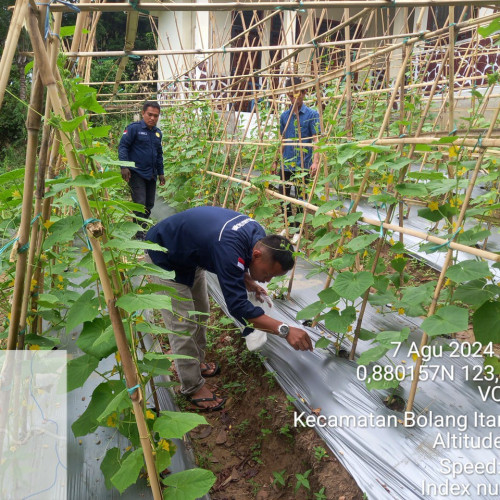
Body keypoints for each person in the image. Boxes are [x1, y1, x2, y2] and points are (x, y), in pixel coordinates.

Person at [145, 206, 313, 411]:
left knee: (201, 312)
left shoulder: (259, 237)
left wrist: (248, 280)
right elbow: (238, 306)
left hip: (190, 257)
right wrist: (284, 329)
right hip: (164, 255)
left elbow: (238, 261)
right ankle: (192, 386)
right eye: (267, 273)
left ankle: (196, 363)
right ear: (257, 255)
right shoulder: (228, 248)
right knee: (183, 325)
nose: (267, 280)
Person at [275, 78, 321, 239]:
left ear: (304, 92)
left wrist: (315, 161)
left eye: (296, 94)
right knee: (283, 196)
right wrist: (276, 159)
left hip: (304, 164)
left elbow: (316, 139)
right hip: (286, 162)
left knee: (301, 198)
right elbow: (282, 140)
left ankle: (299, 231)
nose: (293, 98)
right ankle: (289, 227)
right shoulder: (284, 116)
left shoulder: (312, 115)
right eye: (290, 95)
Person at [119, 101, 166, 239]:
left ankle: (141, 229)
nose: (152, 118)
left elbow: (159, 154)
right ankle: (139, 234)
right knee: (139, 203)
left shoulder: (157, 133)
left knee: (149, 204)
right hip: (136, 173)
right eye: (149, 114)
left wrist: (161, 172)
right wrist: (124, 166)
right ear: (143, 113)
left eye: (156, 116)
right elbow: (123, 147)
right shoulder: (134, 128)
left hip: (151, 174)